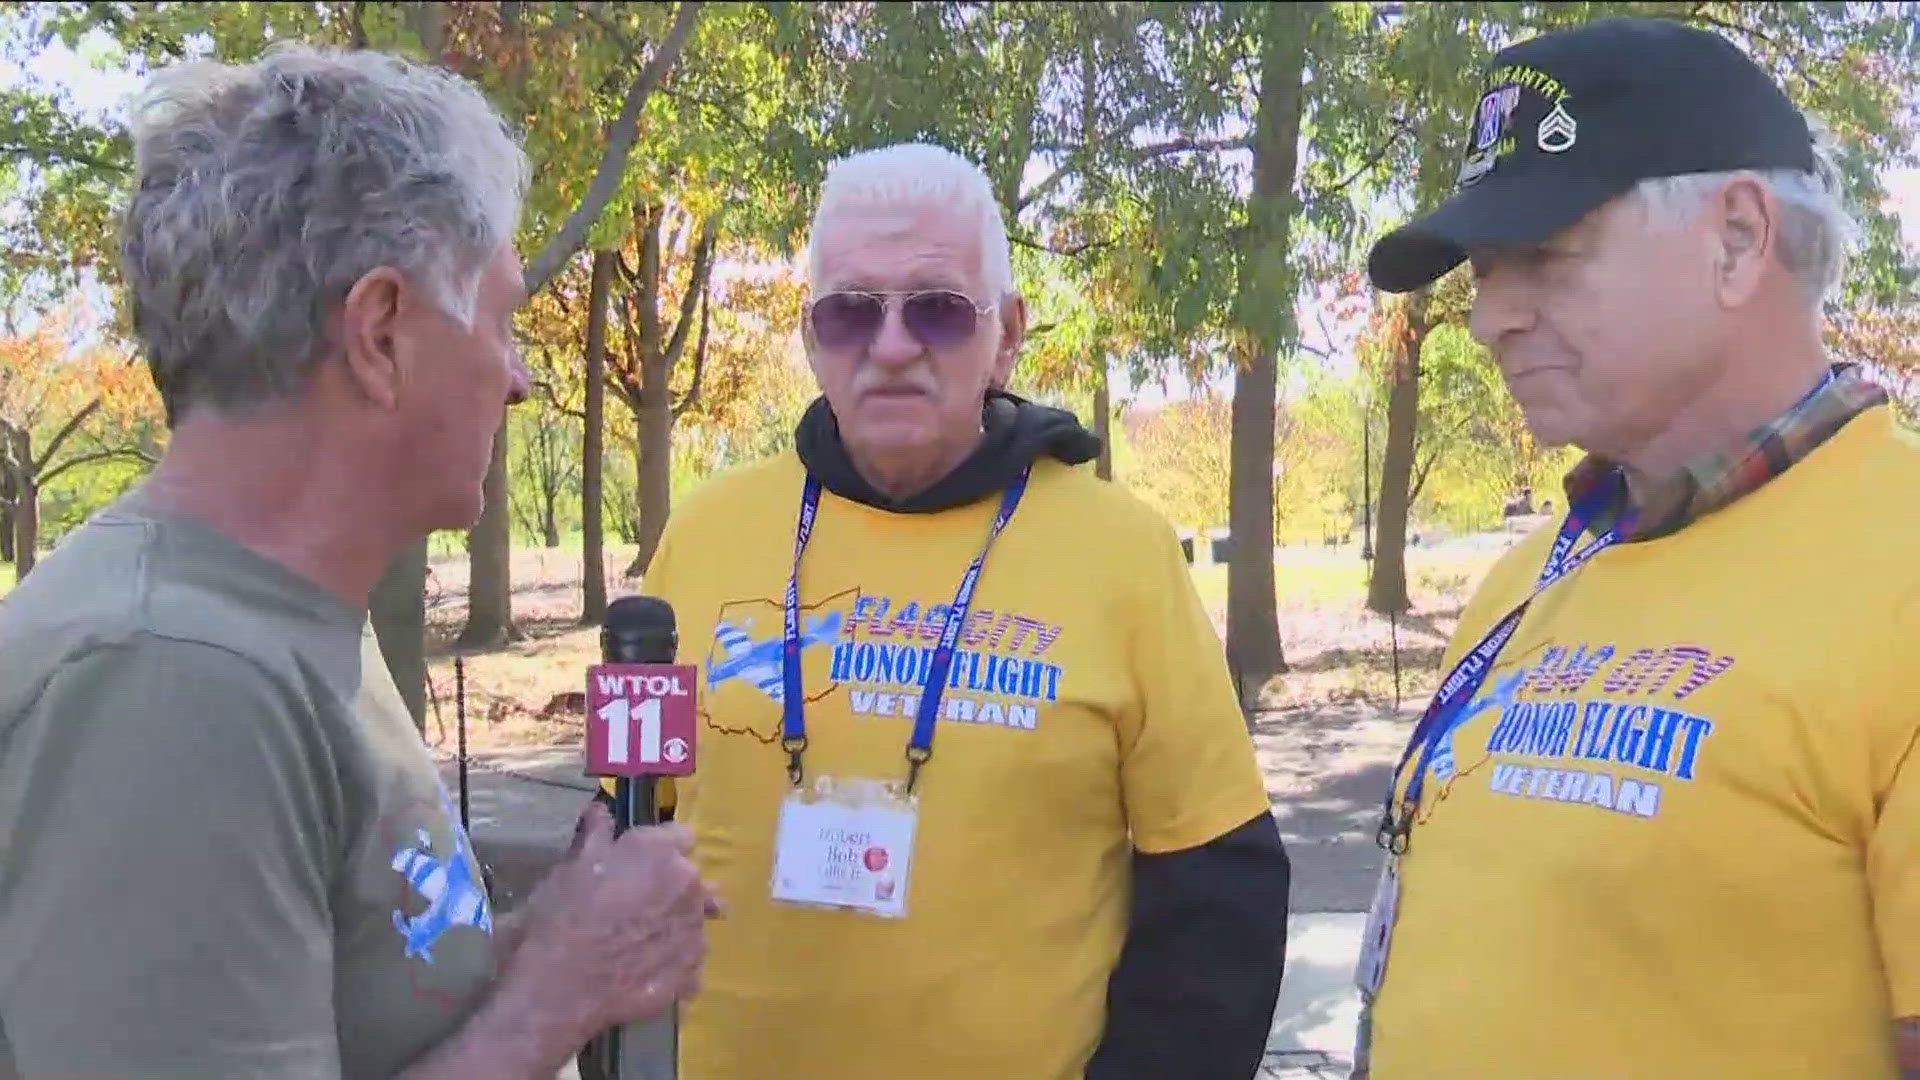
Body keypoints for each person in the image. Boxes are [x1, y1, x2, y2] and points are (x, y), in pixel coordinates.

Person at [0, 45, 715, 1080]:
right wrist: (563, 996)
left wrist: (552, 935)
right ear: (381, 334)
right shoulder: (169, 676)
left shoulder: (296, 614)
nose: (518, 380)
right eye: (503, 318)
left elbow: (363, 999)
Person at [628, 142, 1291, 1080]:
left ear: (1007, 333)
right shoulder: (700, 536)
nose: (891, 346)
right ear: (812, 336)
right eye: (852, 312)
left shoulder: (1121, 551)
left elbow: (1222, 897)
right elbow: (621, 845)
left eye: (936, 310)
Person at [1355, 16, 1919, 1079]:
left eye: (1545, 257)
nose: (1490, 320)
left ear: (1739, 240)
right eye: (1483, 272)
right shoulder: (1532, 576)